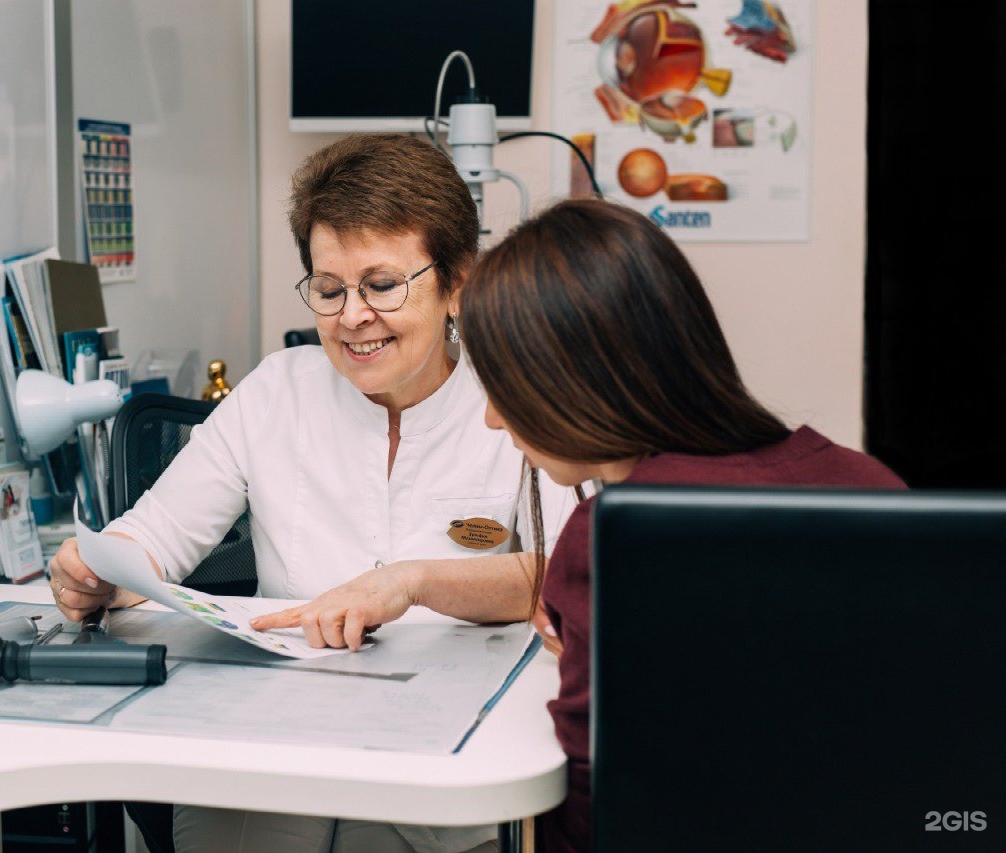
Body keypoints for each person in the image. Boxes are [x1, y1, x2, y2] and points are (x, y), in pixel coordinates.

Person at [263, 198, 906, 852]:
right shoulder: (869, 482)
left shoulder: (615, 537)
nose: (492, 419)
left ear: (571, 378)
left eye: (504, 385)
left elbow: (587, 819)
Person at [48, 133, 574, 853]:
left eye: (382, 285)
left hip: (441, 748)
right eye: (330, 290)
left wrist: (411, 582)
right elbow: (157, 535)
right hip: (273, 739)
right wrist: (98, 572)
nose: (353, 316)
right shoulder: (277, 392)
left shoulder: (515, 390)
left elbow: (563, 572)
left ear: (456, 281)